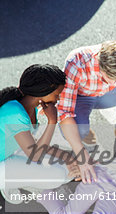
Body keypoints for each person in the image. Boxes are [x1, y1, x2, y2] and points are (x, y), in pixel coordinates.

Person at [58, 41, 116, 185]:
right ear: (100, 67)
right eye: (111, 78)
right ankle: (85, 135)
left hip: (109, 96)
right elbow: (64, 113)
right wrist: (82, 157)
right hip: (82, 98)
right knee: (79, 129)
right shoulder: (76, 62)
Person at [0, 64, 79, 203]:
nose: (58, 99)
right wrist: (52, 121)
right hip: (4, 160)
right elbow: (35, 155)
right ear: (43, 91)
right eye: (57, 94)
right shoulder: (15, 113)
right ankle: (7, 182)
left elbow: (33, 144)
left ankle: (11, 178)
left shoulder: (27, 106)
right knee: (57, 176)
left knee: (65, 167)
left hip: (10, 151)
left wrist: (65, 156)